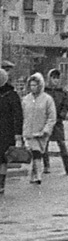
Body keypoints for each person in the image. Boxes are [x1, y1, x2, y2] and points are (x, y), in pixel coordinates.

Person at [21, 72, 56, 185]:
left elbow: (52, 117)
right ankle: (35, 174)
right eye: (31, 85)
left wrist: (46, 130)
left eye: (35, 85)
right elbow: (21, 115)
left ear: (40, 85)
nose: (33, 88)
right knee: (33, 153)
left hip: (41, 132)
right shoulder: (26, 99)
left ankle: (37, 175)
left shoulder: (47, 99)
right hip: (28, 131)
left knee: (37, 152)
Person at [44, 69, 68, 175]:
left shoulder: (62, 93)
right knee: (45, 144)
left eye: (57, 78)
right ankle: (46, 166)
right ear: (49, 79)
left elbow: (65, 106)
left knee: (62, 144)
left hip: (57, 122)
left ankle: (67, 167)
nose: (55, 80)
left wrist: (61, 116)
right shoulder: (44, 92)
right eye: (53, 78)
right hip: (46, 122)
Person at [0, 62, 23, 196]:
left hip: (6, 132)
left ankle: (1, 183)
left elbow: (18, 115)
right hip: (6, 132)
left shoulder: (11, 94)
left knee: (3, 158)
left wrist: (18, 133)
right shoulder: (12, 94)